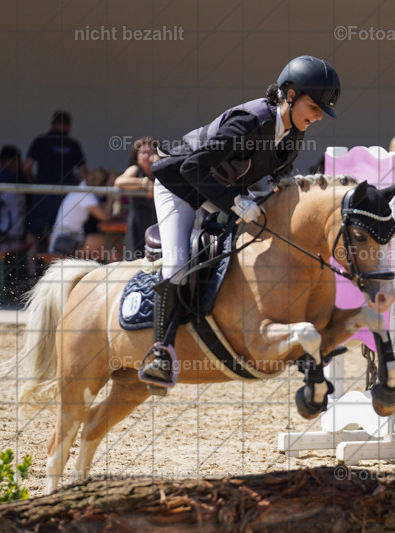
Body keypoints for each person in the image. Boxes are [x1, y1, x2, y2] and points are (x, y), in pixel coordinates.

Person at [140, 55, 340, 388]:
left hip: (217, 188)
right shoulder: (250, 122)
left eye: (323, 110)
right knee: (176, 264)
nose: (318, 115)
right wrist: (235, 202)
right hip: (180, 186)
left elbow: (279, 177)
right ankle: (161, 352)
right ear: (290, 95)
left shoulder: (293, 133)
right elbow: (193, 168)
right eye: (315, 106)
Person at [24, 110, 88, 247]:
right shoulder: (73, 144)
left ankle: (31, 268)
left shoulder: (41, 141)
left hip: (42, 192)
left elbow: (26, 167)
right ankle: (53, 267)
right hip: (64, 194)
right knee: (57, 233)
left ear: (52, 123)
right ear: (69, 125)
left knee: (32, 234)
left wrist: (33, 181)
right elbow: (84, 175)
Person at [0, 145, 37, 278]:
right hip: (20, 231)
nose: (0, 163)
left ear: (15, 161)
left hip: (10, 235)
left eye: (4, 159)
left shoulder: (9, 178)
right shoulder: (25, 178)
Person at [47, 168, 111, 257]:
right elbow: (105, 216)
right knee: (111, 241)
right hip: (65, 242)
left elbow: (102, 209)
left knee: (104, 251)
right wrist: (111, 195)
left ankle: (97, 269)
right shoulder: (85, 194)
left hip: (66, 239)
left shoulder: (83, 189)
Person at [114, 136, 160, 260]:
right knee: (133, 259)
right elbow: (119, 182)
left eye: (151, 153)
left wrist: (158, 164)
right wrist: (145, 183)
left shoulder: (161, 169)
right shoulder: (135, 170)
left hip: (158, 220)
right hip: (137, 223)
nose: (147, 157)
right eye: (143, 153)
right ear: (137, 157)